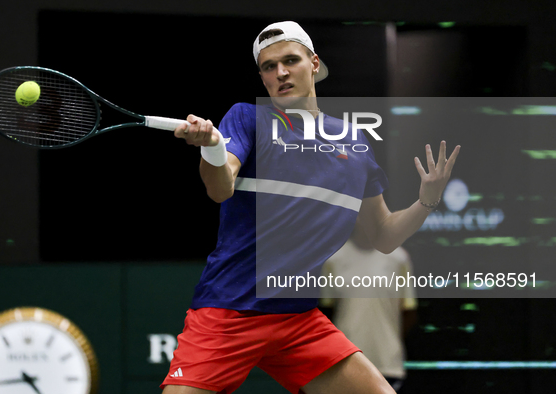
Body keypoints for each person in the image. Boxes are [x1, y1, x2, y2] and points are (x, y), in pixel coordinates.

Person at [162, 21, 460, 394]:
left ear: (314, 63)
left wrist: (427, 200)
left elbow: (384, 235)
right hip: (228, 312)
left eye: (290, 60)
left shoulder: (353, 142)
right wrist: (211, 148)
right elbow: (220, 188)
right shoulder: (247, 118)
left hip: (297, 320)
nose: (281, 72)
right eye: (269, 67)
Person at [321, 224, 418, 393]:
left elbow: (408, 311)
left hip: (387, 364)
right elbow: (326, 313)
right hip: (345, 365)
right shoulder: (333, 260)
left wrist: (389, 342)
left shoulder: (399, 258)